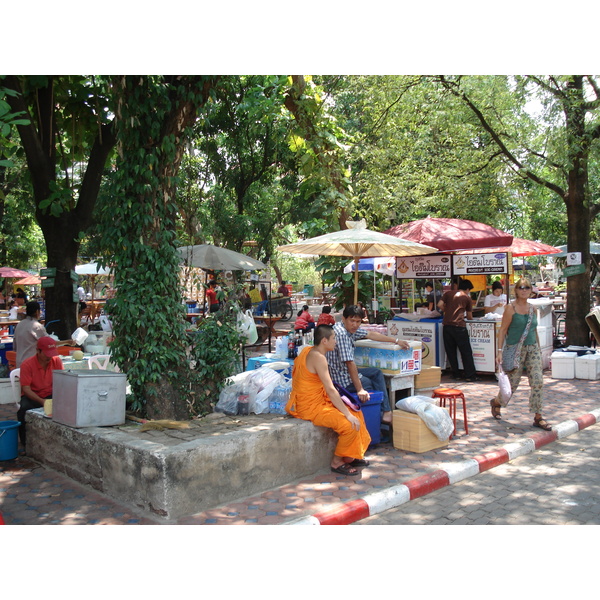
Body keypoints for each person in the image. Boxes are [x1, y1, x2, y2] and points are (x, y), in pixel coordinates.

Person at [286, 324, 371, 476]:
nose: (336, 342)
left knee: (356, 412)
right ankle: (337, 462)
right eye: (333, 338)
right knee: (349, 424)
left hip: (317, 401)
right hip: (310, 407)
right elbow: (331, 390)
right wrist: (347, 414)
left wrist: (349, 412)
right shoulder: (318, 358)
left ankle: (351, 456)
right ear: (324, 341)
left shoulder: (308, 350)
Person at [326, 304, 410, 425]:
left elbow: (370, 334)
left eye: (358, 321)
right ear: (343, 319)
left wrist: (396, 341)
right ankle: (379, 421)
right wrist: (360, 389)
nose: (355, 324)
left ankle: (386, 412)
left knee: (376, 373)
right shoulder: (342, 335)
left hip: (343, 370)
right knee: (368, 383)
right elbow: (350, 363)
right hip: (342, 379)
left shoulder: (347, 329)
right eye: (352, 321)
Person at [490, 277, 551, 430]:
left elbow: (534, 330)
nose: (524, 290)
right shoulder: (511, 308)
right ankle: (497, 402)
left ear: (531, 291)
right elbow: (503, 330)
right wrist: (499, 351)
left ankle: (538, 416)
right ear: (516, 290)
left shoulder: (533, 309)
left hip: (532, 348)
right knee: (512, 385)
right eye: (521, 287)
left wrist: (538, 348)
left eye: (527, 287)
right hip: (515, 349)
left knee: (537, 381)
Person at [17, 336, 64, 445]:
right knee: (23, 410)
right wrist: (42, 401)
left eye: (51, 353)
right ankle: (25, 444)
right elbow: (26, 388)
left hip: (50, 393)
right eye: (47, 354)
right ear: (38, 351)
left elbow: (61, 381)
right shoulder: (27, 364)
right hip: (33, 395)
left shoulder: (56, 360)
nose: (49, 357)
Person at [438, 278, 480, 382]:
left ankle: (456, 374)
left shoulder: (448, 294)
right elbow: (470, 316)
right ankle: (470, 375)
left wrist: (447, 311)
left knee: (450, 351)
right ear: (467, 289)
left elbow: (439, 305)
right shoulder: (466, 297)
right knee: (465, 352)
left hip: (447, 326)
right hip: (459, 327)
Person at [13, 301, 75, 367]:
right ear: (37, 312)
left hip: (19, 363)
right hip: (31, 365)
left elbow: (15, 347)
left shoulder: (19, 325)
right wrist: (68, 342)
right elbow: (50, 343)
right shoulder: (36, 326)